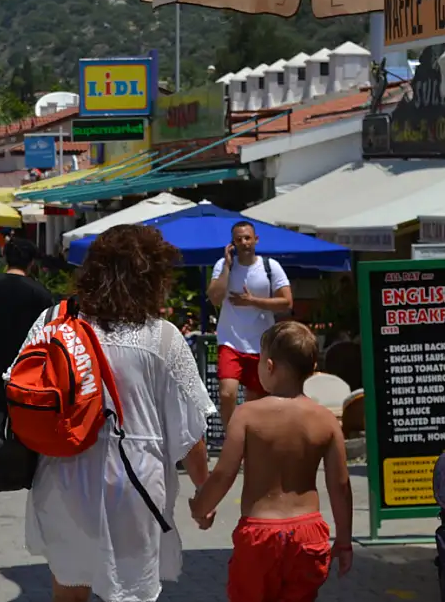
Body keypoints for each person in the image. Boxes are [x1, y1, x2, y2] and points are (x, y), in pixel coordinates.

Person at [20, 225, 214, 602]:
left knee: (69, 590)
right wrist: (204, 491)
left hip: (64, 472)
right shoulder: (163, 337)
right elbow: (191, 430)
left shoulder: (53, 323)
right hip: (134, 478)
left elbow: (19, 384)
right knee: (132, 592)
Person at [190, 321, 353, 602]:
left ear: (268, 366)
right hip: (307, 533)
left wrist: (201, 507)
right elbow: (340, 484)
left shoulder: (246, 415)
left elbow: (224, 474)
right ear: (312, 368)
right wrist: (345, 540)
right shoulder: (325, 419)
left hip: (260, 534)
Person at [0, 238, 54, 466]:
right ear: (31, 263)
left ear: (6, 259)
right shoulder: (41, 293)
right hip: (29, 362)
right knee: (24, 408)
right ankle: (21, 453)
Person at [207, 220, 293, 427]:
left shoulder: (270, 267)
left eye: (247, 238)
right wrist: (227, 266)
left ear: (256, 240)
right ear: (232, 243)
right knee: (227, 392)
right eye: (238, 239)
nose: (244, 242)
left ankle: (251, 441)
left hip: (261, 343)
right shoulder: (223, 265)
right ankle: (231, 437)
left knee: (255, 402)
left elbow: (287, 302)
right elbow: (215, 298)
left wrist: (253, 301)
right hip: (231, 341)